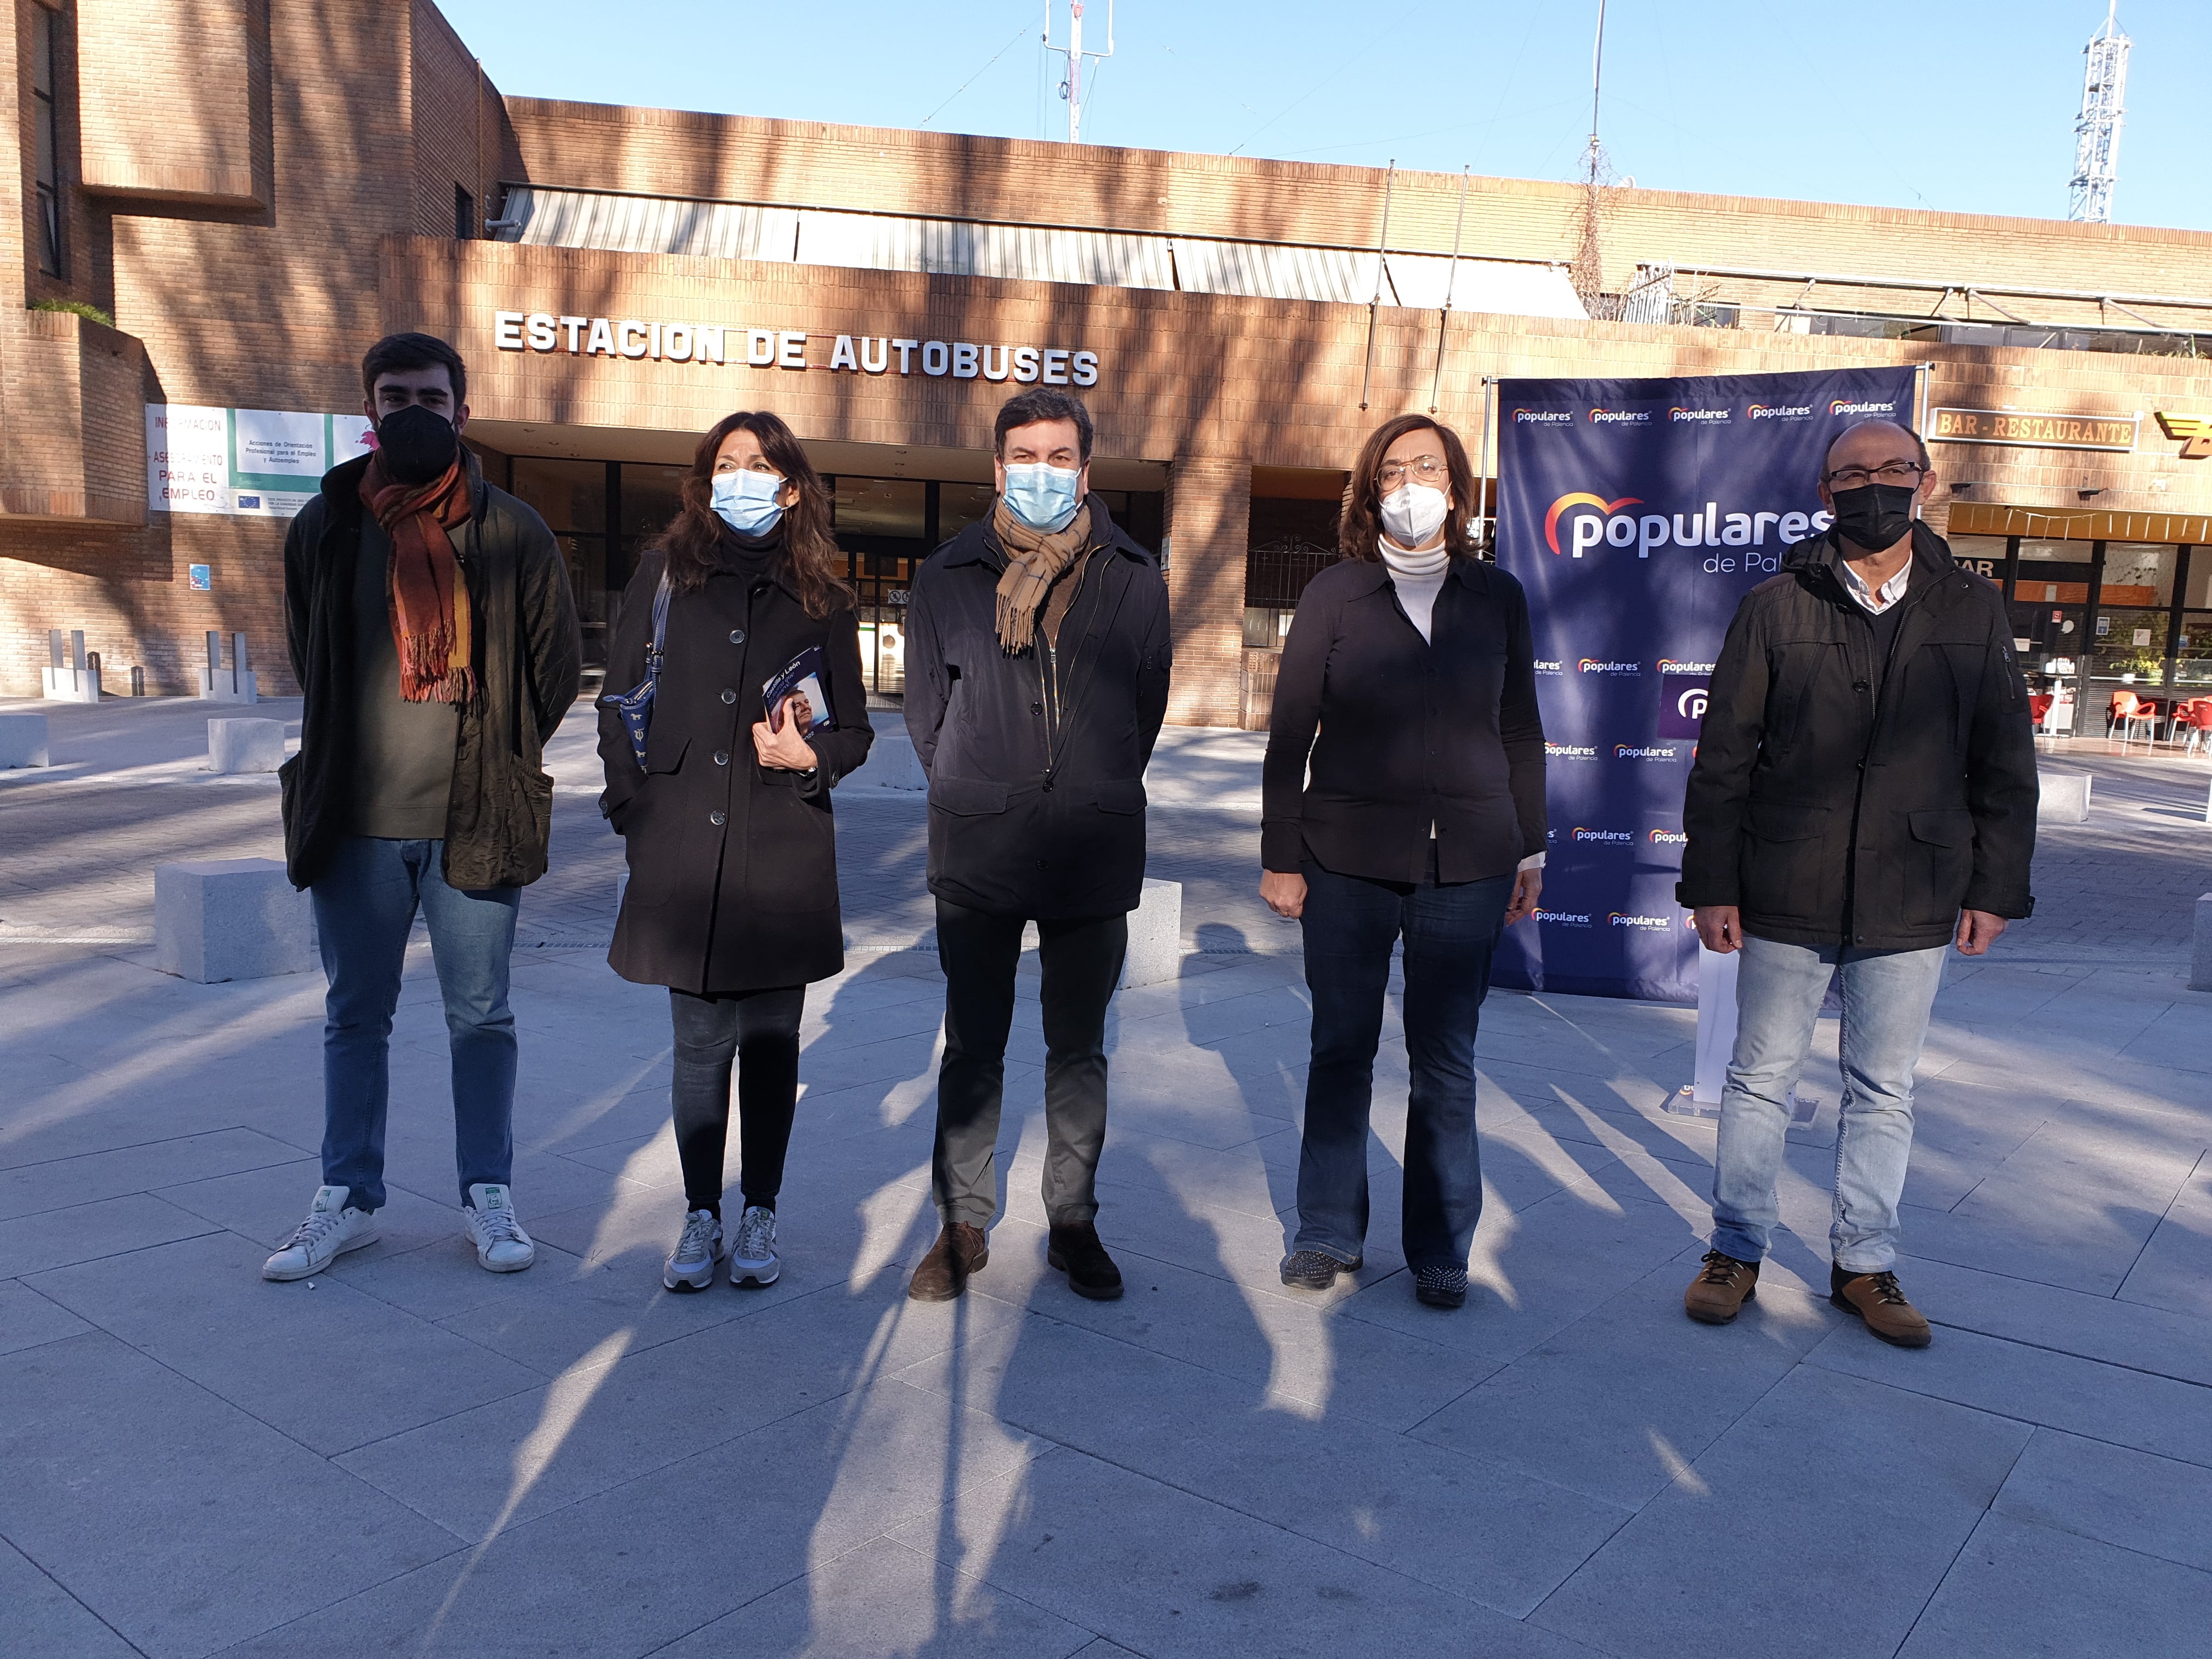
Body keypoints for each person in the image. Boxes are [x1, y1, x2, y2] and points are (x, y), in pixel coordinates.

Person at [1677, 419, 2036, 1346]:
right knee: (1759, 1078)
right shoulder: (1776, 604)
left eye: (1891, 469)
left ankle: (1865, 1264)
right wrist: (1712, 883)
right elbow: (1724, 758)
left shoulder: (1972, 607)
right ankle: (1735, 1250)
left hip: (1914, 886)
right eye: (1852, 473)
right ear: (1825, 490)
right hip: (1785, 878)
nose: (1872, 485)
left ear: (1924, 480)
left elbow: (2004, 758)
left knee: (1884, 1087)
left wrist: (1995, 888)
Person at [266, 332, 580, 1282]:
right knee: (354, 1015)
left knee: (481, 1018)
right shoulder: (324, 526)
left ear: (462, 412)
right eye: (395, 395)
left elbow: (555, 669)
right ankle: (349, 1196)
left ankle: (487, 1191)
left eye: (432, 397)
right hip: (354, 822)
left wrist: (495, 749)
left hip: (473, 820)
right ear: (369, 412)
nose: (414, 410)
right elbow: (306, 653)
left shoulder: (511, 528)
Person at [1260, 415, 1547, 1311]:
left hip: (1470, 862)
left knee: (1446, 1059)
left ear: (1458, 489)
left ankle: (1439, 1245)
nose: (1411, 483)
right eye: (1393, 471)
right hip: (1344, 858)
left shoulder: (1497, 595)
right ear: (1371, 491)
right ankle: (1327, 1230)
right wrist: (1281, 855)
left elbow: (1519, 727)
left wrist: (1530, 845)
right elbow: (1289, 731)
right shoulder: (1335, 594)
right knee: (1341, 1046)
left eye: (1428, 467)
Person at [902, 387, 1171, 1303]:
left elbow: (1146, 708)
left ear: (1086, 471)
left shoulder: (1135, 572)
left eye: (1062, 458)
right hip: (981, 840)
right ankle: (962, 1223)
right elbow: (928, 717)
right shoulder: (948, 575)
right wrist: (982, 776)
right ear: (998, 467)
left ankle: (1074, 1221)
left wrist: (1088, 780)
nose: (1044, 472)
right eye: (1027, 455)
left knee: (1078, 1048)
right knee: (974, 1046)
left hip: (1091, 845)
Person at [598, 412, 874, 1292]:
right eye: (726, 464)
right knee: (696, 1046)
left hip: (781, 847)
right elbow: (617, 700)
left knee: (771, 1042)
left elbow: (857, 728)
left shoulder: (825, 596)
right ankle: (699, 1213)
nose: (741, 478)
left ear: (791, 487)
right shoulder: (666, 573)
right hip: (681, 845)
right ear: (705, 480)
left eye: (759, 465)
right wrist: (632, 806)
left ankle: (760, 1209)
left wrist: (813, 756)